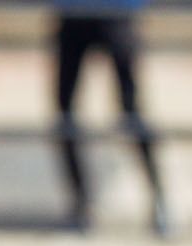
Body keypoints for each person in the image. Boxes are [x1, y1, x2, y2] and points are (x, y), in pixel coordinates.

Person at [52, 0, 167, 233]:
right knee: (65, 112)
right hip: (75, 12)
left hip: (116, 11)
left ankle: (158, 198)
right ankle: (81, 203)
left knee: (131, 108)